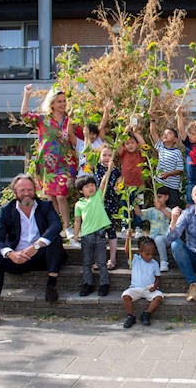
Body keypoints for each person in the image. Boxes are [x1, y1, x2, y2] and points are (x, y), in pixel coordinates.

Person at [0, 174, 66, 329]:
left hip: (41, 256)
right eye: (22, 190)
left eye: (29, 189)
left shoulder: (45, 206)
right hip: (17, 258)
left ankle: (51, 285)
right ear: (15, 192)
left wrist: (36, 246)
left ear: (34, 190)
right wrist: (10, 253)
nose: (26, 193)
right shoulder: (6, 210)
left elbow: (56, 226)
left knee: (55, 239)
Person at [20, 84, 78, 241]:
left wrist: (71, 131)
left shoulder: (70, 119)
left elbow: (77, 140)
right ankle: (56, 226)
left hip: (66, 162)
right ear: (52, 103)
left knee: (60, 194)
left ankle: (68, 227)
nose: (63, 104)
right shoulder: (43, 119)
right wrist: (27, 94)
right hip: (47, 164)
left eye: (64, 101)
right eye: (59, 101)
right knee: (52, 196)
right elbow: (24, 115)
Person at [74, 156, 115, 297]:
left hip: (99, 234)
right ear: (81, 190)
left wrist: (108, 170)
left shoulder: (98, 196)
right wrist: (75, 234)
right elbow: (77, 221)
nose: (91, 188)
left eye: (92, 185)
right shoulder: (79, 204)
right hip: (86, 236)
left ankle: (104, 284)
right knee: (86, 262)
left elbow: (103, 183)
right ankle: (87, 284)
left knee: (102, 262)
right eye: (87, 186)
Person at [122, 237, 164, 328]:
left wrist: (155, 286)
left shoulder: (154, 264)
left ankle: (146, 314)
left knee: (159, 297)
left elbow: (158, 279)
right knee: (126, 296)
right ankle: (130, 316)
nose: (150, 256)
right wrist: (128, 238)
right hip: (135, 288)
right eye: (147, 254)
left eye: (152, 254)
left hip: (149, 289)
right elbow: (127, 251)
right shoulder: (135, 259)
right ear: (140, 252)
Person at [93, 145, 122, 270]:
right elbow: (101, 187)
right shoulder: (97, 169)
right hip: (99, 204)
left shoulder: (116, 170)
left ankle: (112, 258)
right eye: (104, 155)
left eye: (110, 155)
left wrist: (118, 184)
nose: (107, 158)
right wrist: (107, 172)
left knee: (111, 231)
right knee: (99, 233)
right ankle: (99, 260)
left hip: (112, 204)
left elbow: (120, 182)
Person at [118, 124, 147, 237]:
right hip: (125, 186)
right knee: (125, 207)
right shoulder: (123, 154)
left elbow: (144, 145)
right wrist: (125, 133)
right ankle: (125, 227)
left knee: (138, 207)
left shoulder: (141, 154)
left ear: (137, 144)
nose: (130, 145)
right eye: (127, 143)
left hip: (139, 186)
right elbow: (118, 145)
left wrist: (136, 133)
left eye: (132, 142)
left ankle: (138, 227)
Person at [70, 99, 112, 178]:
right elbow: (70, 133)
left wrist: (106, 111)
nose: (91, 136)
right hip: (83, 175)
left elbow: (102, 126)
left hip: (98, 176)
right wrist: (70, 117)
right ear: (85, 133)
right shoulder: (80, 143)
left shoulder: (99, 142)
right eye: (89, 134)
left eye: (94, 134)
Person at [149, 116, 184, 210]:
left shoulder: (177, 152)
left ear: (175, 140)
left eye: (169, 133)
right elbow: (153, 133)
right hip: (160, 184)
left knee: (173, 209)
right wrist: (152, 119)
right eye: (164, 133)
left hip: (172, 187)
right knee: (159, 207)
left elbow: (180, 169)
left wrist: (168, 174)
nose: (165, 135)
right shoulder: (161, 148)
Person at [134, 186, 171, 272]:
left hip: (165, 237)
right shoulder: (151, 210)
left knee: (158, 239)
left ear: (166, 197)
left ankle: (164, 261)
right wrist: (135, 204)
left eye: (160, 197)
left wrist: (161, 209)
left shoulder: (168, 210)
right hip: (153, 237)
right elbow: (139, 213)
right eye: (156, 197)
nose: (157, 200)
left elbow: (171, 217)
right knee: (146, 241)